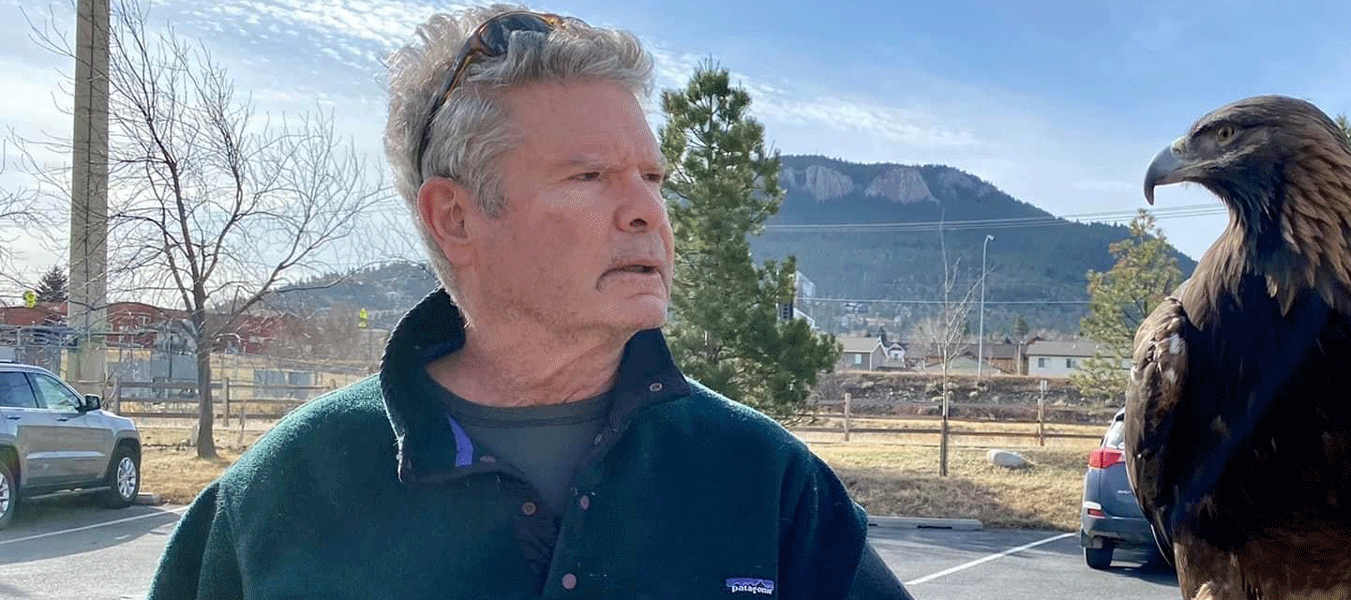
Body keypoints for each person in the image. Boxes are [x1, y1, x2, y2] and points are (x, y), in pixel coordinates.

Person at [148, 5, 914, 598]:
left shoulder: (764, 481)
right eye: (589, 177)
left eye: (651, 176)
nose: (647, 211)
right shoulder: (285, 495)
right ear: (456, 218)